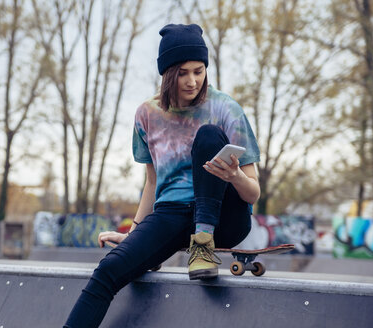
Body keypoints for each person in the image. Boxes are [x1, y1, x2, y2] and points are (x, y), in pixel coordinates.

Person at [63, 23, 260, 328]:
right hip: (172, 215)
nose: (193, 81)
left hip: (224, 215)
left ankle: (203, 245)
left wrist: (234, 176)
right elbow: (152, 183)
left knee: (208, 136)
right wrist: (136, 234)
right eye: (183, 73)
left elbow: (253, 194)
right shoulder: (147, 114)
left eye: (199, 70)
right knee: (108, 270)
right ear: (168, 74)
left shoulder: (226, 109)